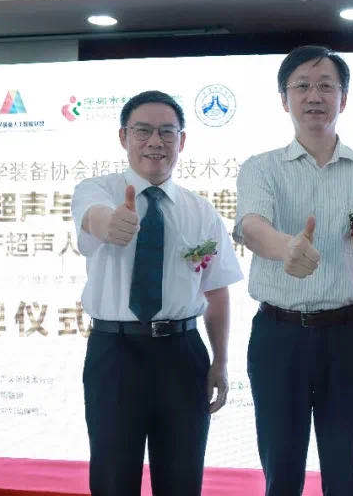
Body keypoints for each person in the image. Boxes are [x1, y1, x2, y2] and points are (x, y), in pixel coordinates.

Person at [235, 45, 353, 495]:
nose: (314, 96)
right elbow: (251, 227)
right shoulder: (261, 169)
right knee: (281, 470)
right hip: (279, 337)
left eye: (326, 86)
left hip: (350, 338)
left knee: (345, 472)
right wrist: (286, 248)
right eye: (302, 86)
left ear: (343, 99)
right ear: (284, 99)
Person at [71, 90, 242, 495]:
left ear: (181, 141)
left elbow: (216, 291)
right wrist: (112, 223)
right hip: (115, 353)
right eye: (143, 131)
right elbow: (95, 219)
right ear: (123, 137)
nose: (155, 142)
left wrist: (220, 361)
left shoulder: (201, 211)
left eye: (167, 132)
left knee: (182, 480)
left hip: (182, 354)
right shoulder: (96, 190)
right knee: (113, 479)